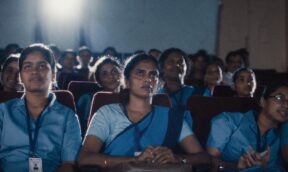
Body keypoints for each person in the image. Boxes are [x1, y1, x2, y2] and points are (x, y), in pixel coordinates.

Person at [78, 54, 210, 169]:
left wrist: (178, 159)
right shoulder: (107, 113)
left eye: (153, 74)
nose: (148, 79)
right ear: (127, 81)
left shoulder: (171, 116)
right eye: (140, 73)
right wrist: (134, 161)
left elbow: (203, 157)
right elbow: (85, 158)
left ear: (158, 83)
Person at [0, 44, 82, 172]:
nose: (35, 71)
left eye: (42, 66)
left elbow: (68, 165)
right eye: (28, 67)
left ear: (54, 75)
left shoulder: (68, 117)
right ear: (20, 76)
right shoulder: (3, 111)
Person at [207, 83, 288, 171]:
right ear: (262, 101)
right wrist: (235, 166)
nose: (286, 105)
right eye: (279, 98)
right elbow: (210, 164)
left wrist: (265, 167)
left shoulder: (281, 138)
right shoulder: (227, 121)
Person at [77, 56, 122, 133]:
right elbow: (81, 129)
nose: (111, 76)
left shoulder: (130, 98)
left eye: (114, 71)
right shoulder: (87, 99)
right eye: (104, 74)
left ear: (121, 75)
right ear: (98, 80)